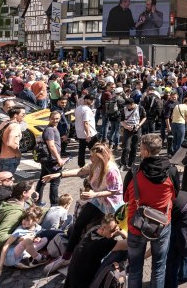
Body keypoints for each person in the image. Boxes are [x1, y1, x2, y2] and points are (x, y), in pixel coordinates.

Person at [43, 143, 124, 273]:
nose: (90, 159)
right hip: (98, 200)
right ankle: (66, 257)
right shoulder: (94, 165)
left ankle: (105, 260)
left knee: (107, 232)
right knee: (78, 224)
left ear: (101, 157)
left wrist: (94, 194)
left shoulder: (111, 170)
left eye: (93, 156)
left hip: (111, 204)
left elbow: (115, 191)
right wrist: (58, 175)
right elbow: (80, 171)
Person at [123, 134, 179, 288]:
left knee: (134, 270)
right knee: (159, 268)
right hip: (161, 225)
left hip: (136, 225)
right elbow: (174, 195)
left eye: (141, 148)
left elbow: (125, 198)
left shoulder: (134, 172)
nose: (139, 151)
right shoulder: (171, 171)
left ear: (146, 152)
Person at [65, 213, 128, 288]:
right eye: (112, 231)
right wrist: (121, 230)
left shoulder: (95, 229)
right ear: (103, 228)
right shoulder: (103, 243)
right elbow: (130, 243)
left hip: (71, 280)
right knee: (123, 251)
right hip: (83, 284)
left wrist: (115, 230)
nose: (114, 233)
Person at [0, 181, 36, 260]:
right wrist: (21, 237)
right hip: (6, 248)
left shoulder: (21, 200)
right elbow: (0, 237)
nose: (34, 191)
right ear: (24, 193)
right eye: (32, 190)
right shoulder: (15, 213)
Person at [165, 190, 187, 288]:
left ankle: (170, 284)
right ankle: (184, 275)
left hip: (185, 213)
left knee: (174, 252)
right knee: (184, 245)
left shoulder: (157, 200)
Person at [0, 207, 47, 274]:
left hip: (24, 250)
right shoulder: (19, 231)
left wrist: (37, 238)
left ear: (35, 220)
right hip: (11, 256)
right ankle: (39, 258)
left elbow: (34, 235)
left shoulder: (38, 227)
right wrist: (1, 264)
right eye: (23, 219)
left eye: (27, 220)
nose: (24, 222)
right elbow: (6, 246)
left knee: (44, 239)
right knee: (27, 241)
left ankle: (24, 259)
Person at [35, 111, 69, 205]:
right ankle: (54, 203)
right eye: (53, 118)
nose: (55, 120)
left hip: (47, 159)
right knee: (55, 182)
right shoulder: (50, 130)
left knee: (43, 180)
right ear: (49, 118)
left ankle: (37, 201)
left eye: (57, 118)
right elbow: (51, 145)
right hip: (51, 159)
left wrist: (61, 139)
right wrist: (59, 159)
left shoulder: (53, 128)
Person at [0, 105, 25, 174]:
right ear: (15, 115)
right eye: (22, 114)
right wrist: (18, 153)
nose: (24, 116)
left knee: (2, 179)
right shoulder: (15, 126)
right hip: (10, 157)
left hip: (1, 155)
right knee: (7, 180)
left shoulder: (4, 123)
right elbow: (10, 143)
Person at [120, 97, 147, 171]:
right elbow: (121, 120)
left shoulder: (140, 108)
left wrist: (139, 125)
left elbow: (144, 117)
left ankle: (130, 163)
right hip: (127, 130)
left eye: (127, 105)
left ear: (132, 104)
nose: (126, 107)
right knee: (126, 148)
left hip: (137, 129)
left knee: (134, 147)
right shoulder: (124, 110)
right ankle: (123, 163)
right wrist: (126, 126)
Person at [74, 93, 99, 168]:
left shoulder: (78, 108)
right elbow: (86, 122)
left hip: (80, 133)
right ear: (85, 100)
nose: (92, 101)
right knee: (95, 150)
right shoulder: (86, 110)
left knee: (82, 150)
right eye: (90, 100)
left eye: (93, 100)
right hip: (89, 133)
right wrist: (88, 135)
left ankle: (81, 165)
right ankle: (96, 165)